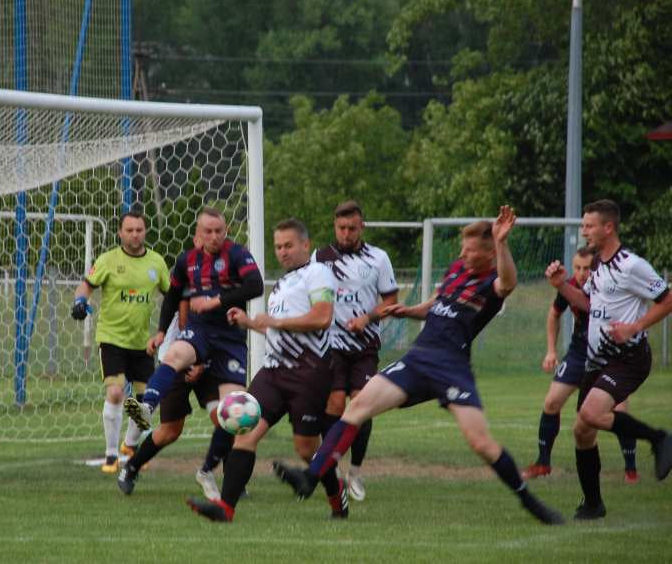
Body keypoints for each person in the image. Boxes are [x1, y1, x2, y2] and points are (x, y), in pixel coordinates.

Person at [273, 206, 565, 525]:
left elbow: (508, 284)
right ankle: (310, 478)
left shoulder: (493, 280)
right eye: (462, 249)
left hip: (452, 366)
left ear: (489, 255)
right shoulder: (457, 269)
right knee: (356, 409)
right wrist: (408, 311)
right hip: (418, 358)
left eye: (471, 251)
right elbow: (438, 305)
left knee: (481, 443)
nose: (464, 255)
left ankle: (530, 502)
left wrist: (501, 242)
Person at [187, 218, 347, 523]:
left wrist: (272, 321)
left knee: (305, 449)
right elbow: (281, 331)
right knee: (243, 433)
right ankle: (226, 508)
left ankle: (336, 497)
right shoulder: (284, 284)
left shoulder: (318, 273)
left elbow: (322, 317)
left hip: (309, 373)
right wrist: (250, 323)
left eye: (288, 245)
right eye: (278, 247)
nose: (282, 252)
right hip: (273, 372)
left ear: (305, 245)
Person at [118, 207, 264, 492]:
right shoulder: (187, 263)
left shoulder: (236, 255)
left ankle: (211, 471)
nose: (212, 237)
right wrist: (161, 333)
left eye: (218, 231)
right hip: (194, 342)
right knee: (170, 429)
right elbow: (172, 299)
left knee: (232, 414)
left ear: (226, 231)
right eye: (206, 232)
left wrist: (216, 302)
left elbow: (255, 284)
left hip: (226, 345)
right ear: (197, 235)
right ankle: (134, 453)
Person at [545, 199, 672, 519]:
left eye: (589, 226)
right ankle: (593, 504)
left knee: (590, 413)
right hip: (597, 358)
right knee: (582, 432)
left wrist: (635, 326)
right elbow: (588, 304)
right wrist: (561, 285)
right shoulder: (598, 266)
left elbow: (667, 298)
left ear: (608, 227)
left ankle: (660, 439)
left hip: (628, 358)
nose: (583, 231)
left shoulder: (631, 265)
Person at [523, 246, 638, 482]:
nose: (582, 273)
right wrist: (551, 351)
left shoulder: (608, 287)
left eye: (587, 268)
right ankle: (543, 463)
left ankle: (631, 469)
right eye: (577, 268)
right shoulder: (569, 287)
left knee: (619, 411)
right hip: (578, 353)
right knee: (552, 402)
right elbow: (554, 314)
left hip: (610, 355)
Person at [71, 211, 170, 474]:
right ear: (120, 233)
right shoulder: (108, 260)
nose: (135, 234)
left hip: (142, 343)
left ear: (145, 231)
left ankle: (130, 445)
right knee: (115, 392)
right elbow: (86, 286)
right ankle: (111, 454)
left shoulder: (156, 263)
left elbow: (171, 296)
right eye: (129, 230)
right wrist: (80, 302)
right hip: (112, 338)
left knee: (146, 402)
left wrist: (166, 330)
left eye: (139, 229)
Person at [312, 201, 399, 501]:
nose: (346, 233)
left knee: (361, 405)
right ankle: (332, 467)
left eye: (352, 228)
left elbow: (391, 301)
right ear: (334, 226)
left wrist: (367, 318)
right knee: (334, 405)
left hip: (364, 347)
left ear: (362, 227)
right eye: (341, 228)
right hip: (331, 344)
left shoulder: (378, 258)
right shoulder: (320, 257)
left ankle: (356, 472)